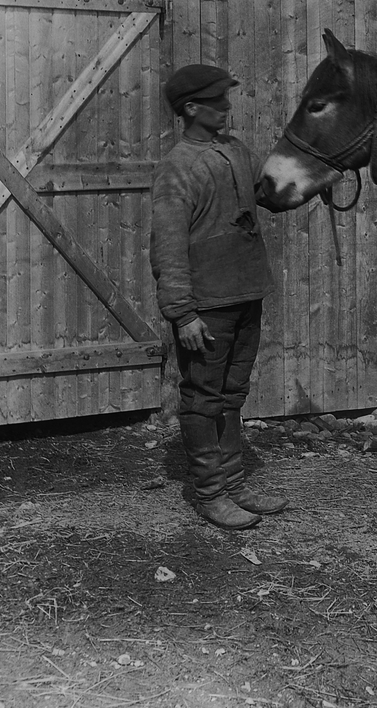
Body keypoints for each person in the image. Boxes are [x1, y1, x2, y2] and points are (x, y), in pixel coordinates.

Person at [150, 64, 288, 530]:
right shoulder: (179, 167)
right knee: (204, 397)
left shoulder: (235, 150)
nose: (227, 109)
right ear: (191, 108)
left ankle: (233, 484)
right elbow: (167, 246)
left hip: (247, 292)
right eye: (218, 102)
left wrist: (312, 182)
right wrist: (182, 313)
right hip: (207, 306)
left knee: (233, 395)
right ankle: (210, 493)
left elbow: (266, 196)